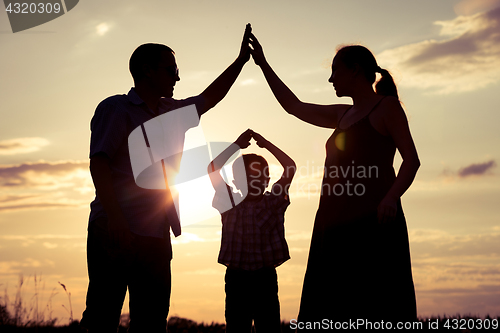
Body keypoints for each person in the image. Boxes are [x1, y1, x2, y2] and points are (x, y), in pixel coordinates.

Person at [81, 24, 253, 333]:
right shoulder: (116, 109)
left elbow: (210, 97)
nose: (177, 76)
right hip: (115, 231)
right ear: (147, 71)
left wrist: (241, 61)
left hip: (156, 233)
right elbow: (100, 164)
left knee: (152, 320)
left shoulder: (173, 112)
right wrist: (116, 219)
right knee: (102, 316)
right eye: (171, 69)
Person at [249, 33, 420, 325]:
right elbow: (293, 106)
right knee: (329, 306)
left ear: (355, 69)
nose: (331, 80)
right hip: (332, 223)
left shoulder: (386, 107)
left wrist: (391, 198)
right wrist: (263, 64)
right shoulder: (342, 114)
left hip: (373, 224)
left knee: (373, 304)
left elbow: (411, 161)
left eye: (335, 70)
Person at [208, 129, 296, 333]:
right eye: (246, 176)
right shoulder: (229, 201)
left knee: (269, 328)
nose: (254, 181)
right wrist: (236, 145)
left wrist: (266, 143)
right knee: (237, 328)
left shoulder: (273, 202)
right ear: (236, 181)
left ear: (267, 180)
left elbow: (290, 167)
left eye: (260, 176)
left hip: (265, 278)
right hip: (236, 279)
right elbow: (213, 168)